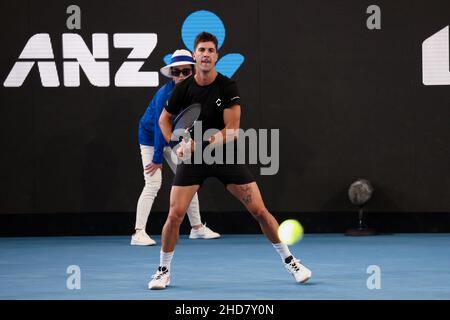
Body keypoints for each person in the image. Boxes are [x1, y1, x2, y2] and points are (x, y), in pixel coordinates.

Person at [148, 33, 312, 289]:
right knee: (175, 215)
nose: (206, 54)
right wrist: (175, 144)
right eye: (201, 49)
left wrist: (197, 145)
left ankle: (291, 261)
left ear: (216, 56)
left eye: (211, 50)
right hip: (193, 160)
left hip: (224, 155)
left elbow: (232, 130)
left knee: (259, 211)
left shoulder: (227, 87)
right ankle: (162, 270)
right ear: (195, 55)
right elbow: (163, 120)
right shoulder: (183, 89)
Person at [131, 49, 220, 246]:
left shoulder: (198, 91)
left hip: (174, 137)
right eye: (175, 72)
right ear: (171, 74)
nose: (180, 76)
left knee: (187, 178)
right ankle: (138, 233)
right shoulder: (165, 94)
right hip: (151, 137)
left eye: (185, 72)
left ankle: (196, 228)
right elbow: (158, 126)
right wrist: (156, 159)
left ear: (193, 71)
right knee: (153, 183)